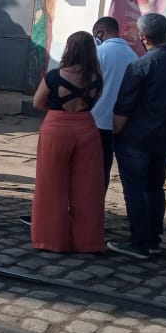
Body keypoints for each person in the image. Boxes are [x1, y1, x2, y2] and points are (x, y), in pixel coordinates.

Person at [108, 13, 166, 259]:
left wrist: (114, 133)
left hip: (136, 139)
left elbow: (123, 107)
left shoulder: (140, 65)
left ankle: (139, 242)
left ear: (143, 37)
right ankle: (153, 239)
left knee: (135, 190)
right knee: (155, 188)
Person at [30, 31, 106, 253]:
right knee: (88, 188)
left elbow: (37, 102)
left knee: (50, 185)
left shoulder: (54, 75)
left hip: (56, 127)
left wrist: (56, 113)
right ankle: (88, 242)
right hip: (86, 128)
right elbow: (94, 103)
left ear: (69, 49)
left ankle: (51, 240)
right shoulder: (96, 79)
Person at [91, 16, 139, 187]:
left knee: (90, 167)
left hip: (95, 119)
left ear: (100, 32)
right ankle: (98, 205)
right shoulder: (133, 56)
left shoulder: (98, 53)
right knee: (106, 165)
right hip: (121, 122)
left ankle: (87, 206)